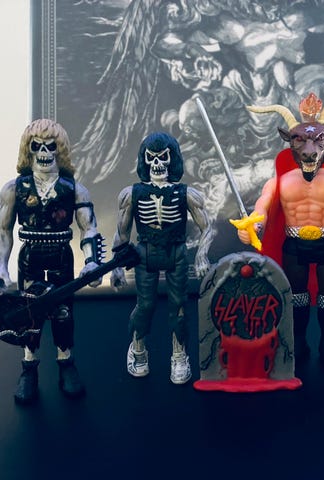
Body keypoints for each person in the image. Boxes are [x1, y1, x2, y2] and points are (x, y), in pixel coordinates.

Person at [235, 93, 324, 370]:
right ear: (288, 141)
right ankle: (298, 341)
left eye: (319, 140)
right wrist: (253, 227)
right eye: (300, 140)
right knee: (296, 296)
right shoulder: (280, 182)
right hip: (294, 245)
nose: (310, 149)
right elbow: (262, 208)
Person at [0, 119, 104, 405]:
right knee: (28, 315)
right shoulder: (14, 189)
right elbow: (3, 231)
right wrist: (2, 267)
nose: (44, 152)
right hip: (30, 257)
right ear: (28, 150)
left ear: (60, 150)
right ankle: (29, 368)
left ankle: (65, 362)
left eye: (50, 146)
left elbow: (89, 227)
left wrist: (92, 261)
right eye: (37, 146)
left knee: (63, 313)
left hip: (61, 256)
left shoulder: (75, 190)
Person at [110, 131, 213, 384]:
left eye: (163, 157)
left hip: (176, 252)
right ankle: (138, 347)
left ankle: (179, 355)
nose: (157, 164)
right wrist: (117, 266)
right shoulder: (131, 194)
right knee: (145, 305)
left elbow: (207, 227)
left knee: (178, 306)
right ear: (144, 160)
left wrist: (201, 254)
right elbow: (122, 232)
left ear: (172, 159)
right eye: (151, 157)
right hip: (145, 253)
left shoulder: (187, 193)